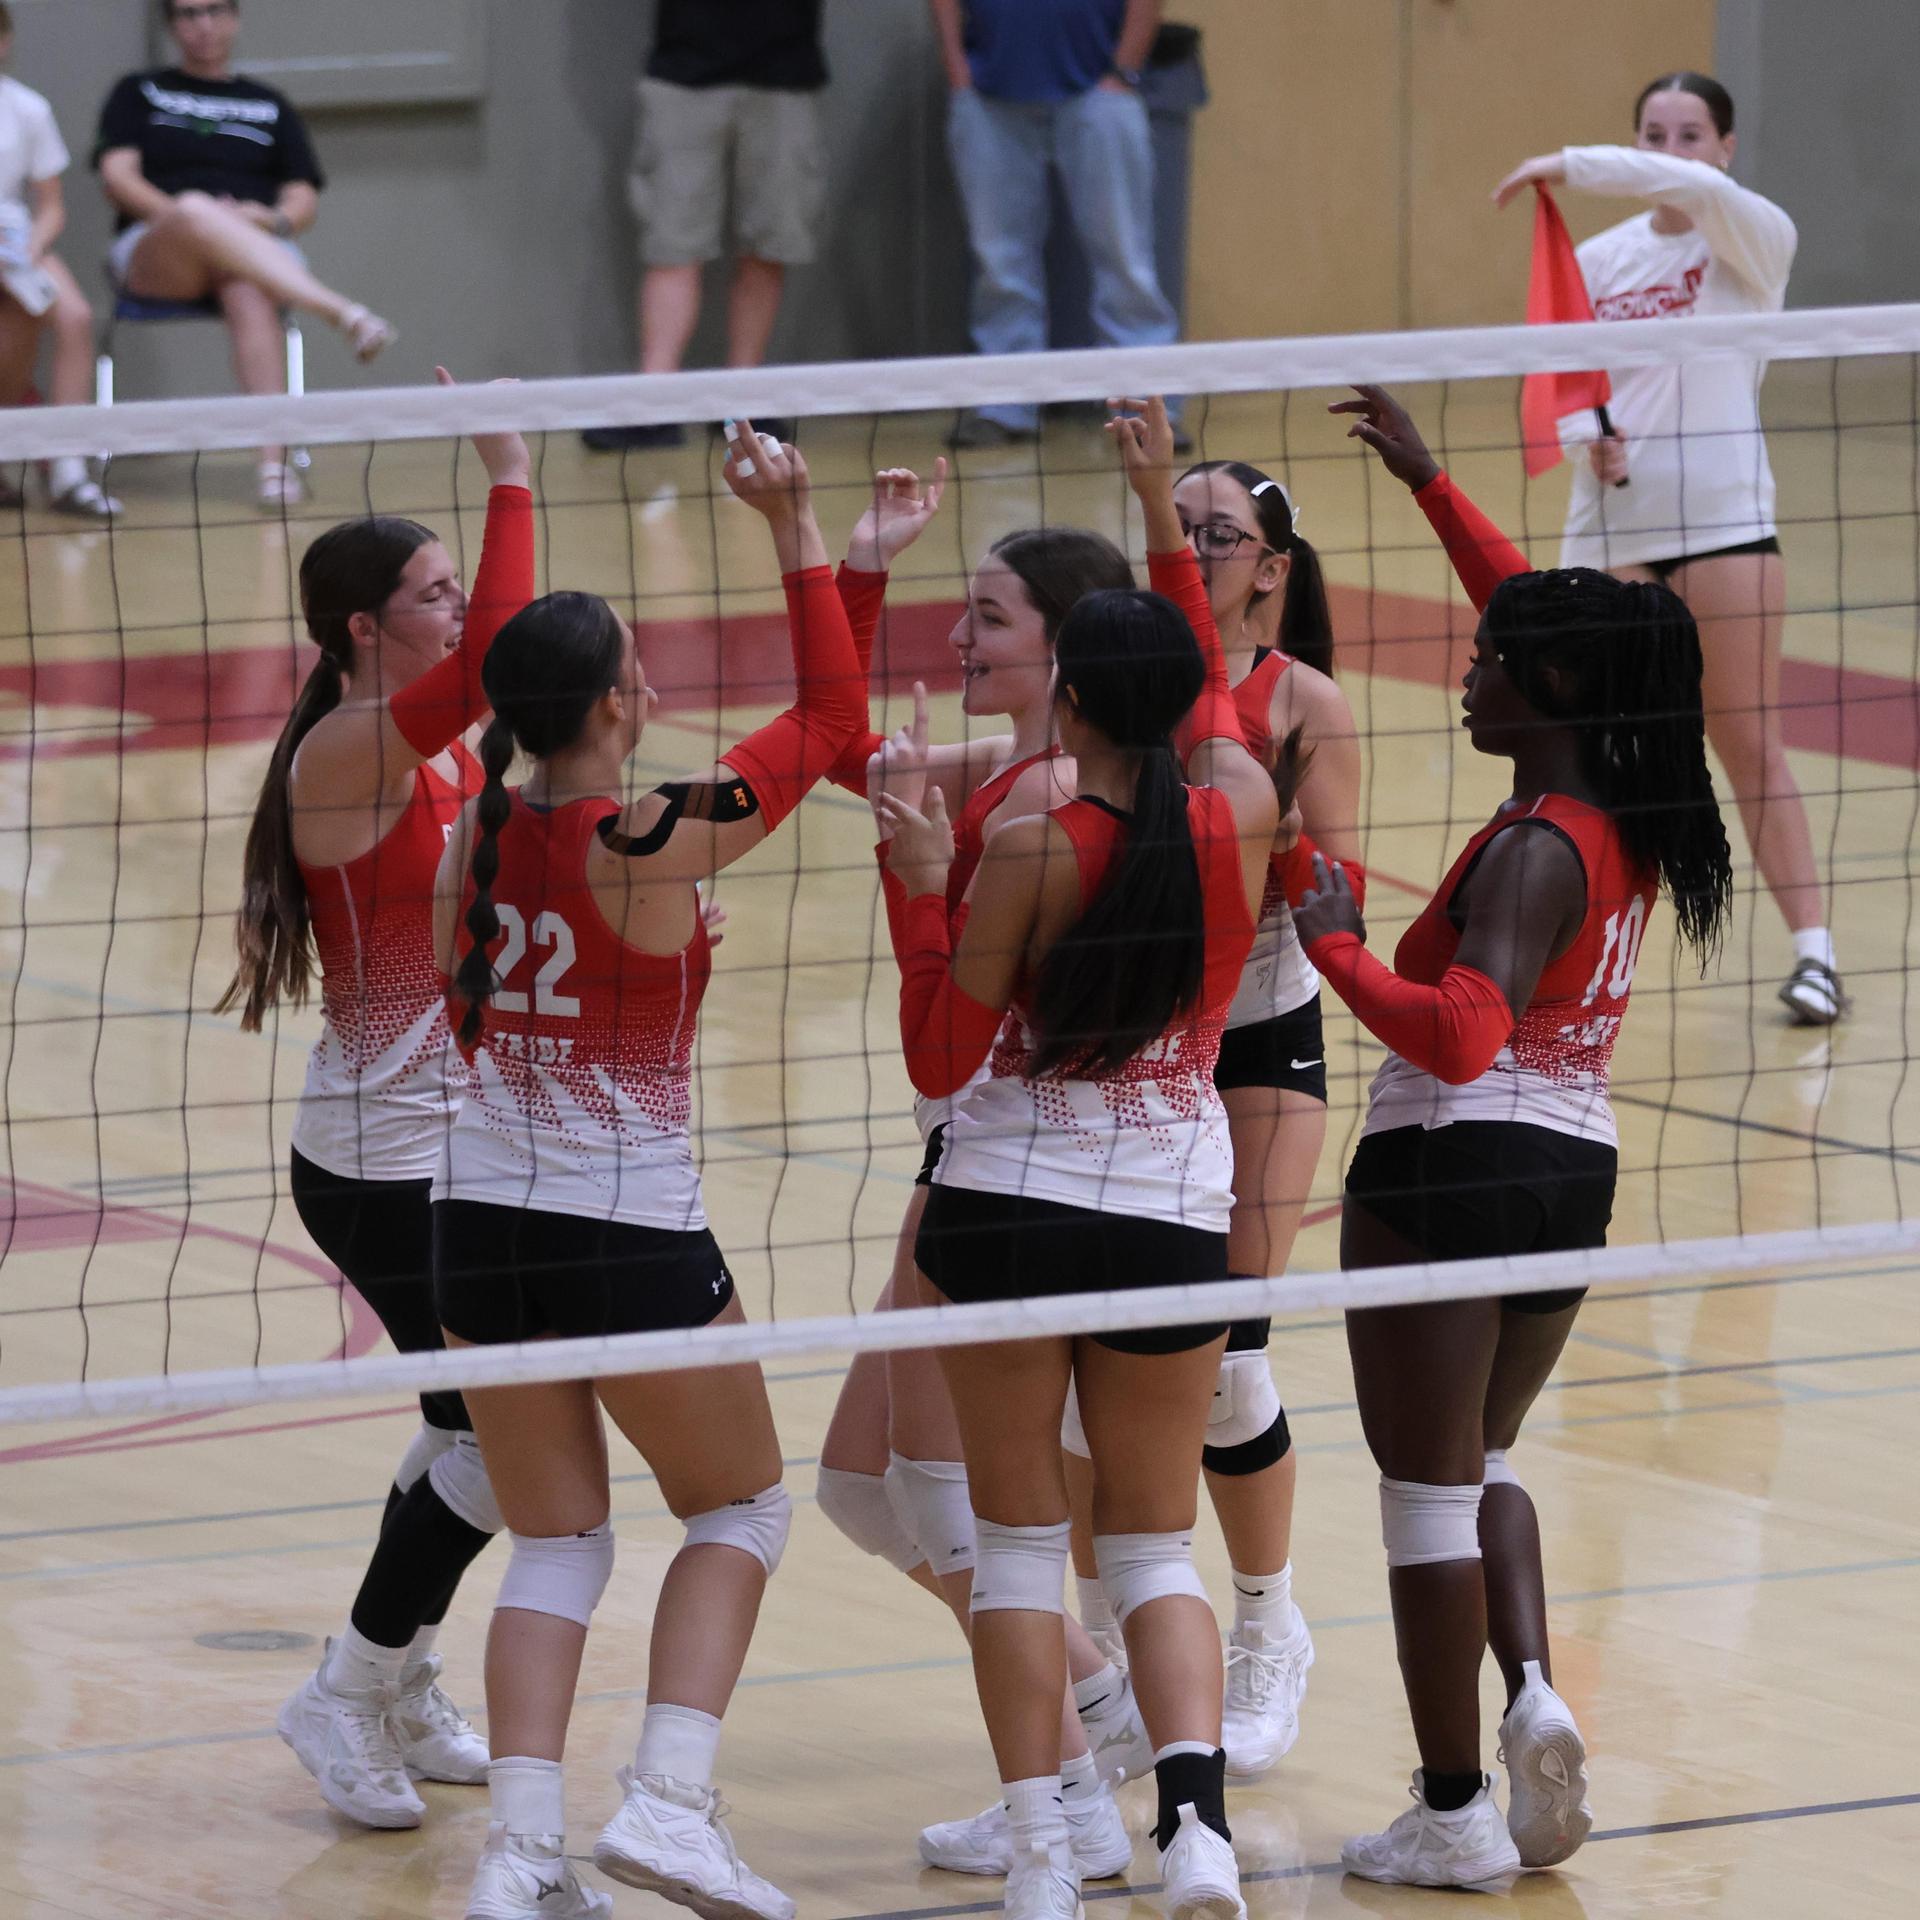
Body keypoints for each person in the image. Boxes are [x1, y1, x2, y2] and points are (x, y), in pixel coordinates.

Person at [1294, 383, 1734, 1887]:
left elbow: (1465, 1027)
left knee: (1421, 1495)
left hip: (1450, 1156)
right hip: (1571, 1170)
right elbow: (1557, 629)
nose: (1468, 675)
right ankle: (1535, 1689)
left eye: (1492, 665)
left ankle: (1451, 1808)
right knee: (1480, 1454)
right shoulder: (1620, 796)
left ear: (1549, 683)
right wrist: (1433, 487)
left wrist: (1337, 947)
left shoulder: (1535, 846)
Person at [429, 421, 860, 1920]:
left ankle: (523, 1863)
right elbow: (831, 711)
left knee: (557, 1536)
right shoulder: (656, 833)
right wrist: (798, 523)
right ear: (620, 702)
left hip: (473, 1227)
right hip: (625, 1233)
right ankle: (670, 1803)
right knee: (737, 1511)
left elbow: (482, 997)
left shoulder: (468, 836)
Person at [878, 394, 1278, 1920]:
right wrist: (1163, 526)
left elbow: (939, 1056)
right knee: (1159, 1549)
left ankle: (1045, 1848)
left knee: (1023, 1552)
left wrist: (919, 883)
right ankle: (1201, 1840)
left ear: (1075, 701)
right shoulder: (1234, 814)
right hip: (1176, 1217)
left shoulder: (1036, 838)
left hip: (1010, 1215)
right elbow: (1218, 709)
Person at [813, 477, 1155, 1885]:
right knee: (856, 1487)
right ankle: (1090, 1701)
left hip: (1002, 1151)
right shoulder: (1006, 772)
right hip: (976, 1144)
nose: (964, 633)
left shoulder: (1054, 800)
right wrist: (851, 573)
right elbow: (843, 750)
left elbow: (951, 1035)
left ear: (1065, 648)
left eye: (990, 614)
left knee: (934, 1486)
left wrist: (911, 875)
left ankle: (1073, 1768)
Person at [214, 373, 532, 1830]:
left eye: (459, 585)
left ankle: (391, 1681)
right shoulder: (349, 753)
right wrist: (513, 467)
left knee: (473, 1422)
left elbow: (498, 700)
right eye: (434, 590)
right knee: (493, 1431)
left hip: (452, 1141)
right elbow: (495, 672)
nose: (459, 608)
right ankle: (345, 1689)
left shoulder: (443, 747)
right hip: (375, 1158)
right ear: (365, 627)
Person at [1060, 455, 1360, 1777]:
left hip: (1257, 1043)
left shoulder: (1306, 703)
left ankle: (1268, 1625)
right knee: (1078, 1382)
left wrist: (1275, 827)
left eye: (1215, 534)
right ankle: (1111, 1664)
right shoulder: (1121, 691)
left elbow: (1337, 890)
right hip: (1125, 1055)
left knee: (1228, 1361)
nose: (1189, 548)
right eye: (1171, 529)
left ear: (1273, 568)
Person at [1492, 71, 1839, 1026]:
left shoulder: (1755, 242)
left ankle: (1816, 953)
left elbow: (1704, 198)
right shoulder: (1599, 259)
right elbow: (1557, 381)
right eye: (1653, 133)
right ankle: (1580, 948)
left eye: (1690, 135)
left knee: (1744, 738)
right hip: (1613, 528)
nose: (1671, 152)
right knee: (1597, 747)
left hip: (1725, 523)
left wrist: (1566, 163)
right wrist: (1582, 440)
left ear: (1725, 148)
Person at [93, 0, 396, 508]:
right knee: (195, 209)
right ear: (172, 25)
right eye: (188, 14)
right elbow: (117, 177)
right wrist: (192, 221)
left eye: (213, 11)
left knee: (249, 293)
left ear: (235, 18)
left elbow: (301, 200)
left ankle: (272, 469)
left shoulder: (270, 104)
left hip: (250, 250)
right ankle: (342, 311)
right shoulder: (139, 91)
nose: (202, 25)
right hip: (159, 252)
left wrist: (264, 221)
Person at [930, 1, 1181, 449]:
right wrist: (958, 69)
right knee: (999, 264)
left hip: (1101, 92)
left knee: (1126, 261)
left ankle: (1146, 410)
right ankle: (1004, 407)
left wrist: (1124, 72)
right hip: (989, 95)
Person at [582, 1, 828, 453]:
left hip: (785, 73)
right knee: (672, 246)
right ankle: (655, 405)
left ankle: (742, 403)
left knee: (770, 242)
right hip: (684, 72)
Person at [0, 1, 116, 516]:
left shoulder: (27, 109)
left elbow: (50, 206)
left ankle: (67, 467)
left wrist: (32, 246)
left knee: (72, 314)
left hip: (14, 239)